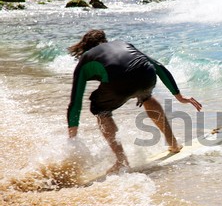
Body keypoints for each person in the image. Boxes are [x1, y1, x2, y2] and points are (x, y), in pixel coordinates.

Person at [67, 29, 202, 174]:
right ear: (105, 41)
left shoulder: (86, 59)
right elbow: (158, 67)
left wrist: (72, 136)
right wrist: (179, 96)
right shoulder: (123, 44)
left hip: (119, 81)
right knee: (146, 97)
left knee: (100, 109)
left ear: (85, 46)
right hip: (146, 74)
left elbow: (76, 101)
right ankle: (173, 143)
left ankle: (121, 161)